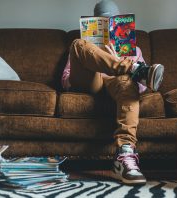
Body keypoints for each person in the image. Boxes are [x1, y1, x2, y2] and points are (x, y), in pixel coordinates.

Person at [62, 0, 164, 185]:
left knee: (128, 81)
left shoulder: (134, 49)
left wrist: (118, 60)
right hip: (91, 82)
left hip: (118, 84)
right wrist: (101, 62)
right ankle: (133, 68)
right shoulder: (86, 46)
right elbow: (66, 78)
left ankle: (124, 155)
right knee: (77, 44)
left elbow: (140, 88)